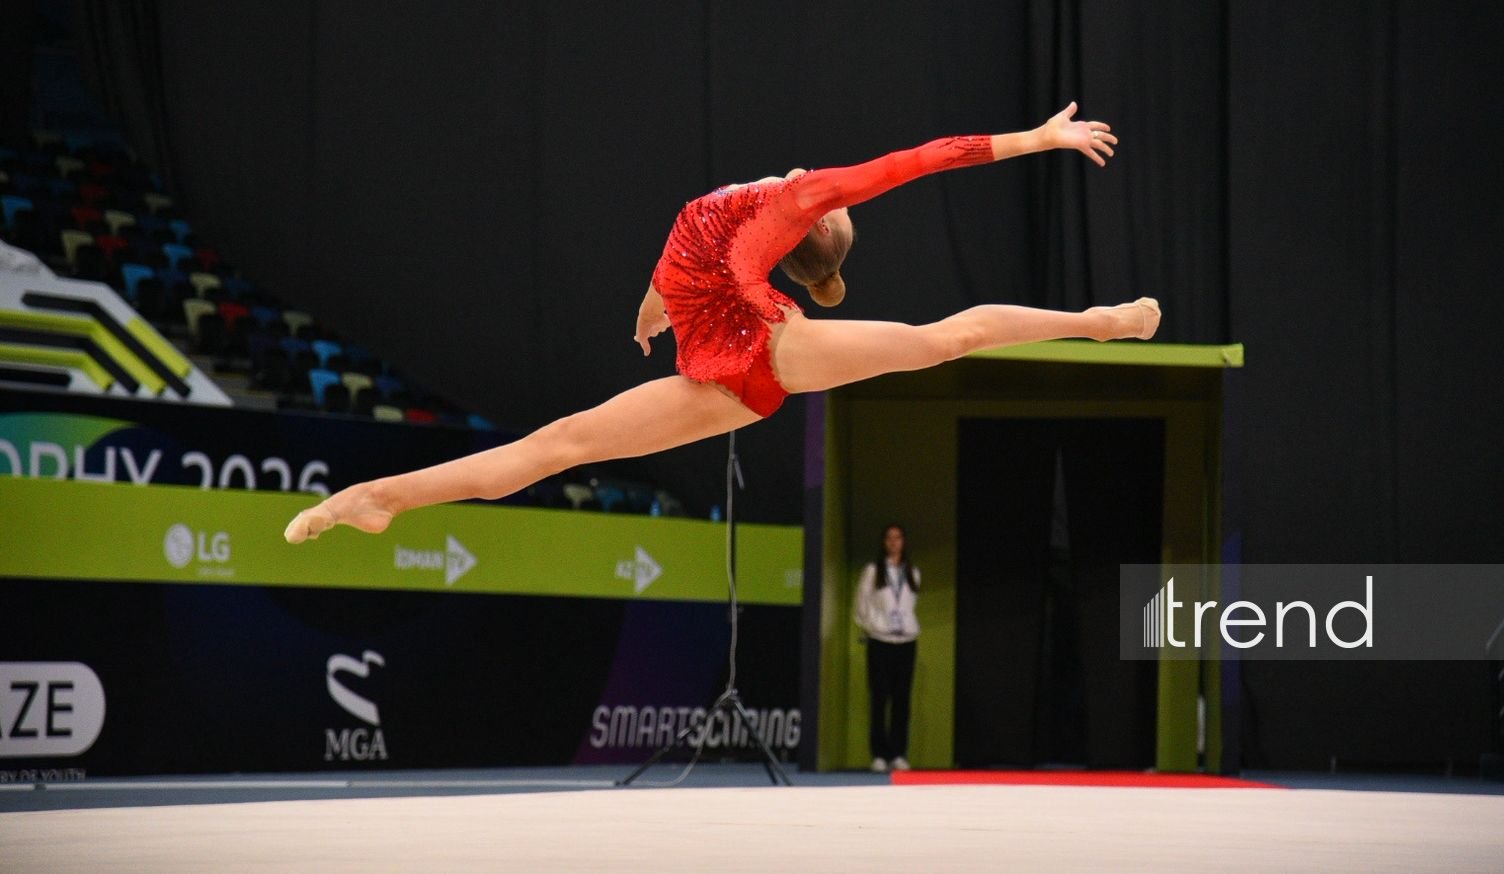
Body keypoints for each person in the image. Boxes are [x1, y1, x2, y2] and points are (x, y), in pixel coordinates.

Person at [283, 102, 1156, 543]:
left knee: (943, 342)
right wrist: (650, 312)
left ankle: (1102, 321)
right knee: (556, 447)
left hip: (768, 349)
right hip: (722, 378)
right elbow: (672, 277)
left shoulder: (794, 197)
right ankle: (377, 500)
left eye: (833, 200)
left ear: (817, 220)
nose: (824, 176)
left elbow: (918, 162)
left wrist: (1038, 142)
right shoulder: (753, 210)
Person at [854, 523, 921, 772]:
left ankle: (898, 753)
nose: (894, 542)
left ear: (904, 542)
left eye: (898, 538)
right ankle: (879, 754)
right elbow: (862, 603)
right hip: (880, 641)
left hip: (906, 642)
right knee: (880, 698)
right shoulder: (873, 571)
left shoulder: (912, 572)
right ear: (884, 542)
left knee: (902, 700)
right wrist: (873, 626)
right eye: (889, 538)